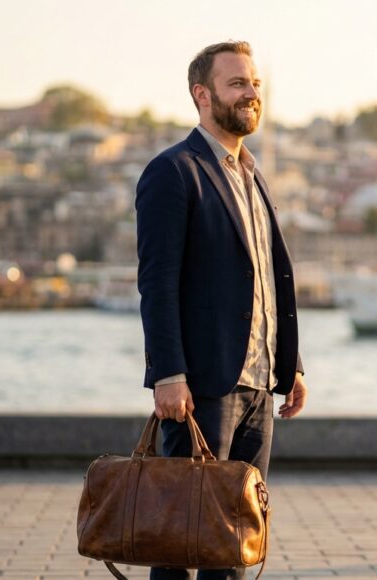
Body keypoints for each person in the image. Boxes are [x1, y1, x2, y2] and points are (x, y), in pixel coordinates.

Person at [135, 40, 308, 580]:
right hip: (202, 388)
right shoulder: (174, 171)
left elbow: (265, 278)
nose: (251, 93)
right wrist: (168, 373)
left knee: (234, 539)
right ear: (202, 95)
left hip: (258, 385)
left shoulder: (252, 175)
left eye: (255, 84)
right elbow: (157, 282)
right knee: (182, 537)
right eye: (237, 84)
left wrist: (291, 364)